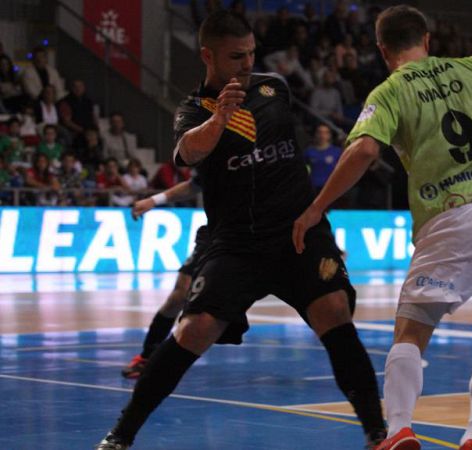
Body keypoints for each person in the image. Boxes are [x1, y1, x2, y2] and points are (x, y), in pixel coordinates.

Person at [95, 11, 386, 450]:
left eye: (251, 53)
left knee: (334, 313)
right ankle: (122, 434)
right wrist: (221, 118)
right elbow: (190, 155)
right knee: (192, 329)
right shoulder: (193, 110)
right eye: (236, 57)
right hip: (236, 243)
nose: (247, 63)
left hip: (297, 232)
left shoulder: (275, 88)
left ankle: (376, 431)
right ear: (208, 56)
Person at [292, 6, 472, 450]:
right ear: (428, 40)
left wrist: (316, 208)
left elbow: (362, 152)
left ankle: (399, 429)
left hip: (453, 213)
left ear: (383, 50)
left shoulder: (391, 89)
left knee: (412, 331)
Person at [121, 177, 206, 379]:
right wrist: (153, 200)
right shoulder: (219, 155)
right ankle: (148, 357)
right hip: (217, 233)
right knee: (179, 294)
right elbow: (194, 185)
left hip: (258, 233)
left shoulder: (268, 156)